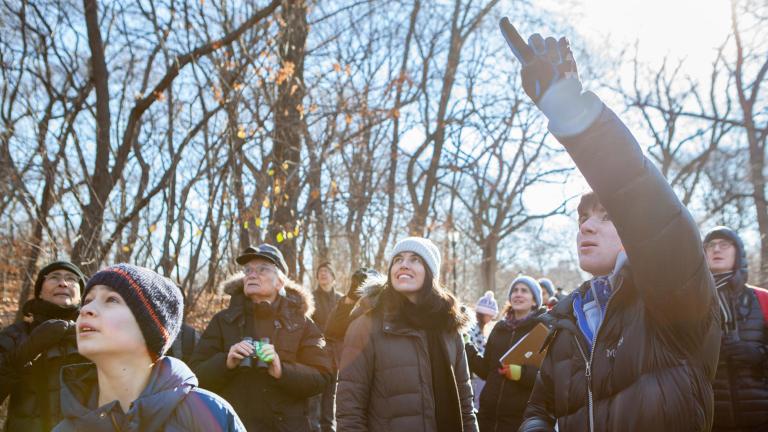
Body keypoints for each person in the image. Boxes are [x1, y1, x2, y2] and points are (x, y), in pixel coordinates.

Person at [508, 31, 721, 431]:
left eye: (606, 216)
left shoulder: (674, 297)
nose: (586, 225)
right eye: (582, 218)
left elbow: (646, 204)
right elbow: (541, 408)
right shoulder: (566, 318)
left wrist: (573, 113)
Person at [53, 263, 244, 431]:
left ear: (151, 327)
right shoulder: (66, 428)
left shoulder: (208, 414)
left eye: (111, 299)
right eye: (87, 301)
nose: (86, 310)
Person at [336, 237, 478, 432]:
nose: (404, 265)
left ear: (429, 273)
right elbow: (350, 409)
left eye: (415, 259)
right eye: (398, 259)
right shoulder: (365, 326)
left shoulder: (448, 327)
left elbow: (465, 403)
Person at [189, 244, 333, 431]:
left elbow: (323, 376)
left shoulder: (301, 323)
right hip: (233, 426)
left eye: (262, 269)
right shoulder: (223, 321)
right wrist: (226, 362)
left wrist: (282, 371)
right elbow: (195, 375)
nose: (252, 274)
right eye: (248, 270)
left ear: (280, 282)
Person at [0, 261, 87, 431]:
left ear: (81, 295)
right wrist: (24, 353)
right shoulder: (16, 334)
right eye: (54, 277)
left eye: (71, 279)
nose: (63, 283)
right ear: (39, 291)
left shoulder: (96, 332)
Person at [703, 227, 768, 431]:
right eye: (710, 246)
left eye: (724, 244)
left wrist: (759, 356)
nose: (716, 250)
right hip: (712, 418)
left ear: (738, 252)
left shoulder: (763, 299)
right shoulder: (691, 303)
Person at [466, 276, 547, 431]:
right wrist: (467, 347)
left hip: (518, 419)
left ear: (535, 301)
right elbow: (485, 370)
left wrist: (521, 374)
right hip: (487, 416)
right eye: (515, 291)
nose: (518, 294)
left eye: (524, 291)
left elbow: (547, 377)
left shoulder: (542, 331)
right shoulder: (499, 329)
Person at [309, 262, 343, 432]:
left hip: (335, 355)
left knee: (330, 395)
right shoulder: (310, 298)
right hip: (315, 354)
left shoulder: (341, 300)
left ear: (333, 278)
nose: (323, 274)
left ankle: (329, 429)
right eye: (320, 271)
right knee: (315, 395)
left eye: (327, 272)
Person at [466, 290, 499, 410]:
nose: (490, 318)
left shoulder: (483, 329)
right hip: (474, 372)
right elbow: (473, 349)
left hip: (478, 371)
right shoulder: (473, 329)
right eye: (489, 315)